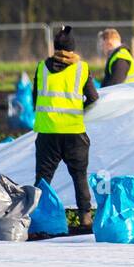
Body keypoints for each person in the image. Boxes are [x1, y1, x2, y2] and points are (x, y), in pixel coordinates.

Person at [33, 25, 99, 228]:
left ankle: (36, 215)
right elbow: (93, 97)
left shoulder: (42, 67)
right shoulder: (82, 68)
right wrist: (79, 108)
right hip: (73, 132)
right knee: (80, 177)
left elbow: (34, 98)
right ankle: (85, 218)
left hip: (47, 132)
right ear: (72, 48)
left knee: (43, 179)